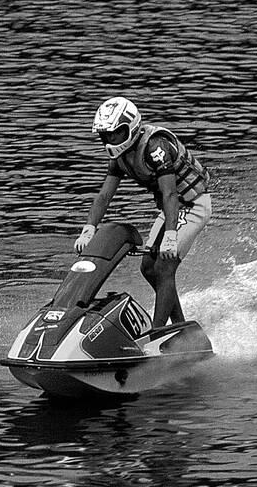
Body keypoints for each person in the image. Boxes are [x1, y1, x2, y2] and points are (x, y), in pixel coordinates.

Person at [73, 96, 212, 329]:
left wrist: (170, 237)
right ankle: (181, 327)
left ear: (131, 128)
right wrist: (89, 229)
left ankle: (156, 334)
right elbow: (104, 196)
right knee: (148, 267)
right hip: (172, 210)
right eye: (105, 135)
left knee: (164, 268)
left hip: (192, 206)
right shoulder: (118, 156)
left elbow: (169, 194)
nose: (110, 140)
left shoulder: (156, 147)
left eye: (115, 133)